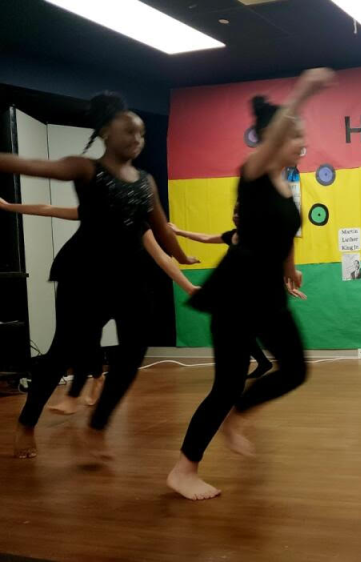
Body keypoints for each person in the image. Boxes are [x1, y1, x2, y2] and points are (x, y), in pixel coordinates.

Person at [166, 68, 335, 501]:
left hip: (268, 292)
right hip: (237, 292)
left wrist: (289, 268)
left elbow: (279, 233)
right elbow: (275, 139)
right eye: (297, 137)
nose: (304, 144)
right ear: (274, 139)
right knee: (226, 382)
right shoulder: (255, 171)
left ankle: (239, 413)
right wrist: (302, 93)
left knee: (296, 369)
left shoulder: (285, 183)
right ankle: (184, 469)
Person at [2, 92, 192, 460]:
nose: (137, 140)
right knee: (62, 354)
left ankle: (98, 426)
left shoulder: (146, 181)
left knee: (133, 352)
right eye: (129, 132)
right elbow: (29, 164)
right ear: (106, 132)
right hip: (84, 276)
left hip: (130, 277)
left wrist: (182, 255)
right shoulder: (85, 168)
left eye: (142, 135)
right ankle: (26, 422)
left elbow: (161, 225)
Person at [0, 197, 199, 413]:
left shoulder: (139, 225)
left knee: (104, 339)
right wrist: (9, 206)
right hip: (88, 285)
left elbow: (163, 258)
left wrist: (188, 287)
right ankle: (93, 380)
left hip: (123, 288)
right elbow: (48, 209)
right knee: (83, 338)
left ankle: (83, 390)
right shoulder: (93, 210)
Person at [169, 204, 275, 379]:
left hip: (248, 294)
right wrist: (179, 232)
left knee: (239, 330)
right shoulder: (232, 235)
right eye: (234, 213)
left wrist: (286, 278)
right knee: (237, 330)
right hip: (232, 294)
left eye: (241, 213)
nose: (236, 216)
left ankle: (248, 366)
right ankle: (260, 362)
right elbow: (205, 238)